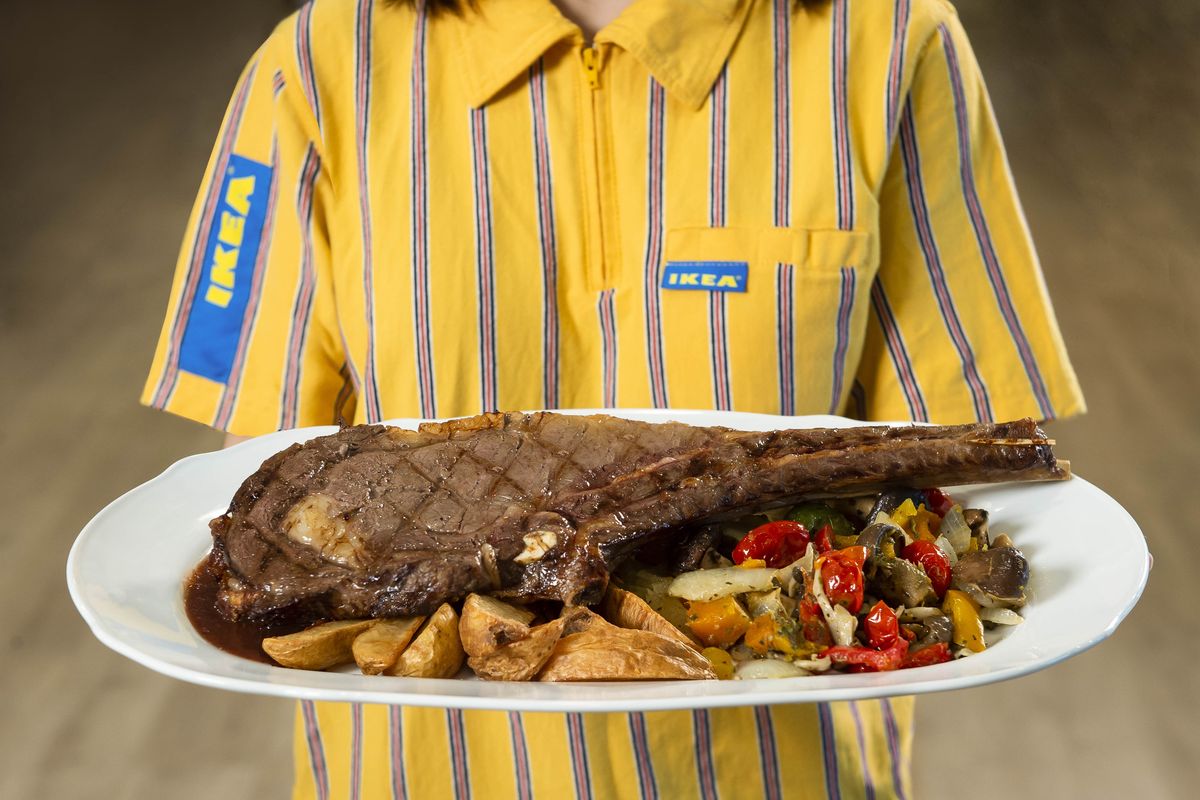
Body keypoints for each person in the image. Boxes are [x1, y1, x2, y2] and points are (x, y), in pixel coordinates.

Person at [143, 0, 1084, 796]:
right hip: (420, 768)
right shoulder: (314, 68)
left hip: (777, 770)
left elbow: (978, 466)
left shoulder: (889, 40)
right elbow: (257, 508)